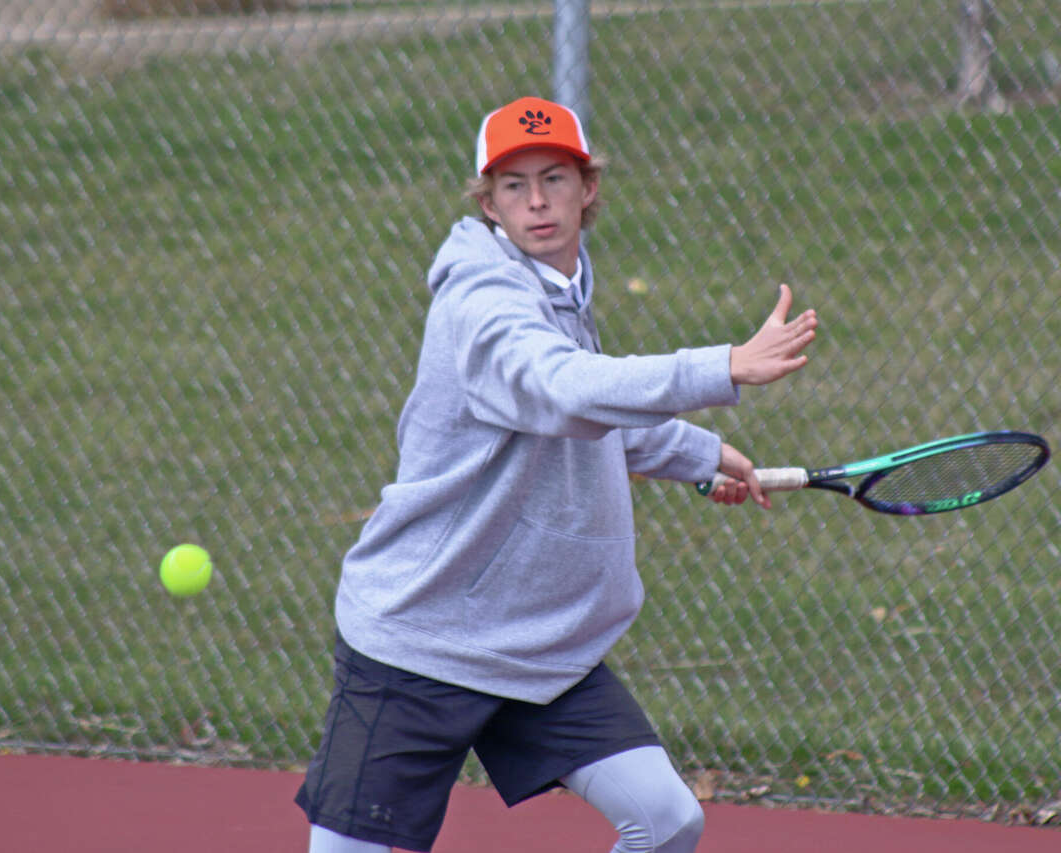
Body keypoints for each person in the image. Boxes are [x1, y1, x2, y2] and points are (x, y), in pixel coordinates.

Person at [295, 96, 818, 853]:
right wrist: (723, 367)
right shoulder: (483, 300)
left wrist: (698, 455)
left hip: (541, 644)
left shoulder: (561, 283)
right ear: (488, 203)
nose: (536, 201)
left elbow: (579, 419)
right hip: (422, 638)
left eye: (554, 178)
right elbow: (561, 387)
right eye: (513, 185)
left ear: (588, 188)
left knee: (667, 820)